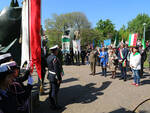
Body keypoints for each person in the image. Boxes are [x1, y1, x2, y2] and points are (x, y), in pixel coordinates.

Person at [47, 45, 63, 110]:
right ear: (55, 51)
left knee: (51, 91)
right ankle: (55, 105)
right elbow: (56, 70)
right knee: (54, 91)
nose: (57, 51)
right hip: (54, 77)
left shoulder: (49, 57)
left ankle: (51, 104)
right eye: (57, 50)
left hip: (50, 76)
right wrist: (59, 79)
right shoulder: (55, 58)